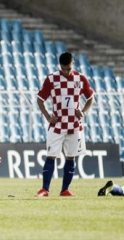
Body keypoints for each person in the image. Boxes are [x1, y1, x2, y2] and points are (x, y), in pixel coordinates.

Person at [35, 52, 94, 197]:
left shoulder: (81, 79)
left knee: (70, 157)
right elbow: (40, 99)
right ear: (59, 66)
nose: (66, 72)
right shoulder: (52, 79)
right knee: (51, 155)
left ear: (73, 64)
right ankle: (45, 190)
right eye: (63, 69)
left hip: (74, 125)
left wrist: (83, 112)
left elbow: (90, 98)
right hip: (57, 125)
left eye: (68, 68)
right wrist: (48, 116)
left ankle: (65, 190)